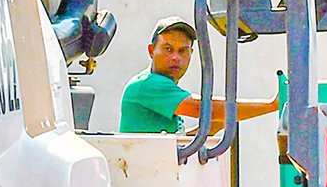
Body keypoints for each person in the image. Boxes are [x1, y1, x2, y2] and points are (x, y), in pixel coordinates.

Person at [115, 19, 280, 135]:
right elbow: (203, 109)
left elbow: (180, 141)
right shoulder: (149, 84)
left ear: (191, 53)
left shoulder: (165, 90)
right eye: (168, 49)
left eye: (182, 50)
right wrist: (272, 105)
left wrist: (214, 125)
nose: (175, 57)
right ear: (151, 51)